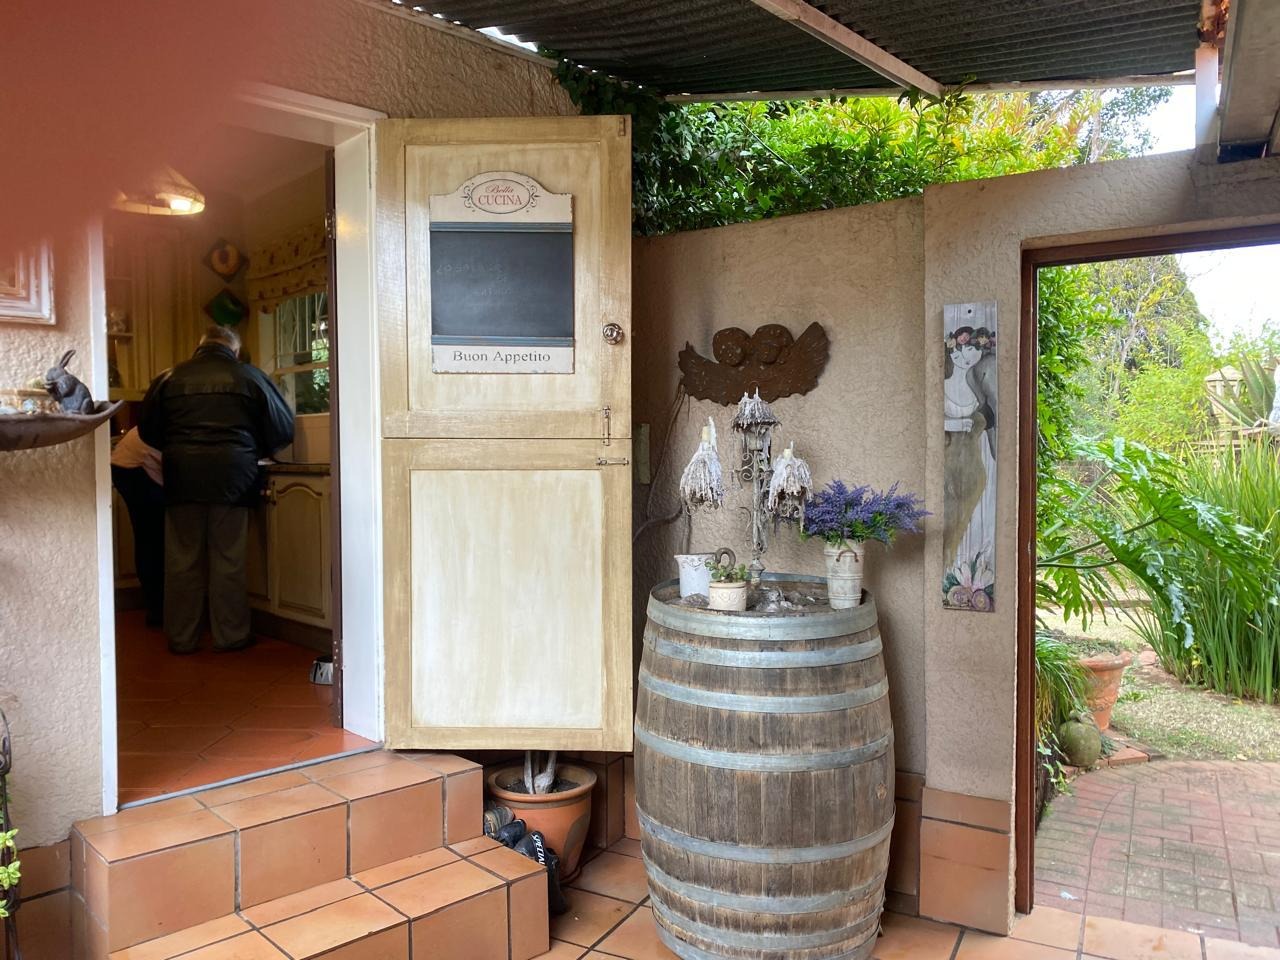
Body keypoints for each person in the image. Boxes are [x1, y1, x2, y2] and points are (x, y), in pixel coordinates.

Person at [138, 324, 294, 654]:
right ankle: (231, 636)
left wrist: (178, 447)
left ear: (200, 346)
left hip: (182, 476)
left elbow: (148, 431)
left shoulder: (169, 377)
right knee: (228, 559)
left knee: (182, 560)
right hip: (234, 476)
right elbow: (283, 428)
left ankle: (181, 638)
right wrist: (254, 448)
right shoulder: (250, 377)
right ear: (234, 349)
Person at [942, 325, 997, 582]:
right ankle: (948, 570)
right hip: (947, 467)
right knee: (947, 523)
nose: (967, 356)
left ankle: (963, 573)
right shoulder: (942, 386)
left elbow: (989, 421)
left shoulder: (980, 390)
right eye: (960, 351)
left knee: (966, 522)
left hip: (972, 466)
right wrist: (955, 425)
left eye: (974, 350)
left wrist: (976, 422)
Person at [110, 426, 165, 627]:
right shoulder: (186, 420)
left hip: (126, 462)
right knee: (153, 540)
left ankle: (156, 609)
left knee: (148, 539)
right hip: (136, 467)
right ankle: (158, 610)